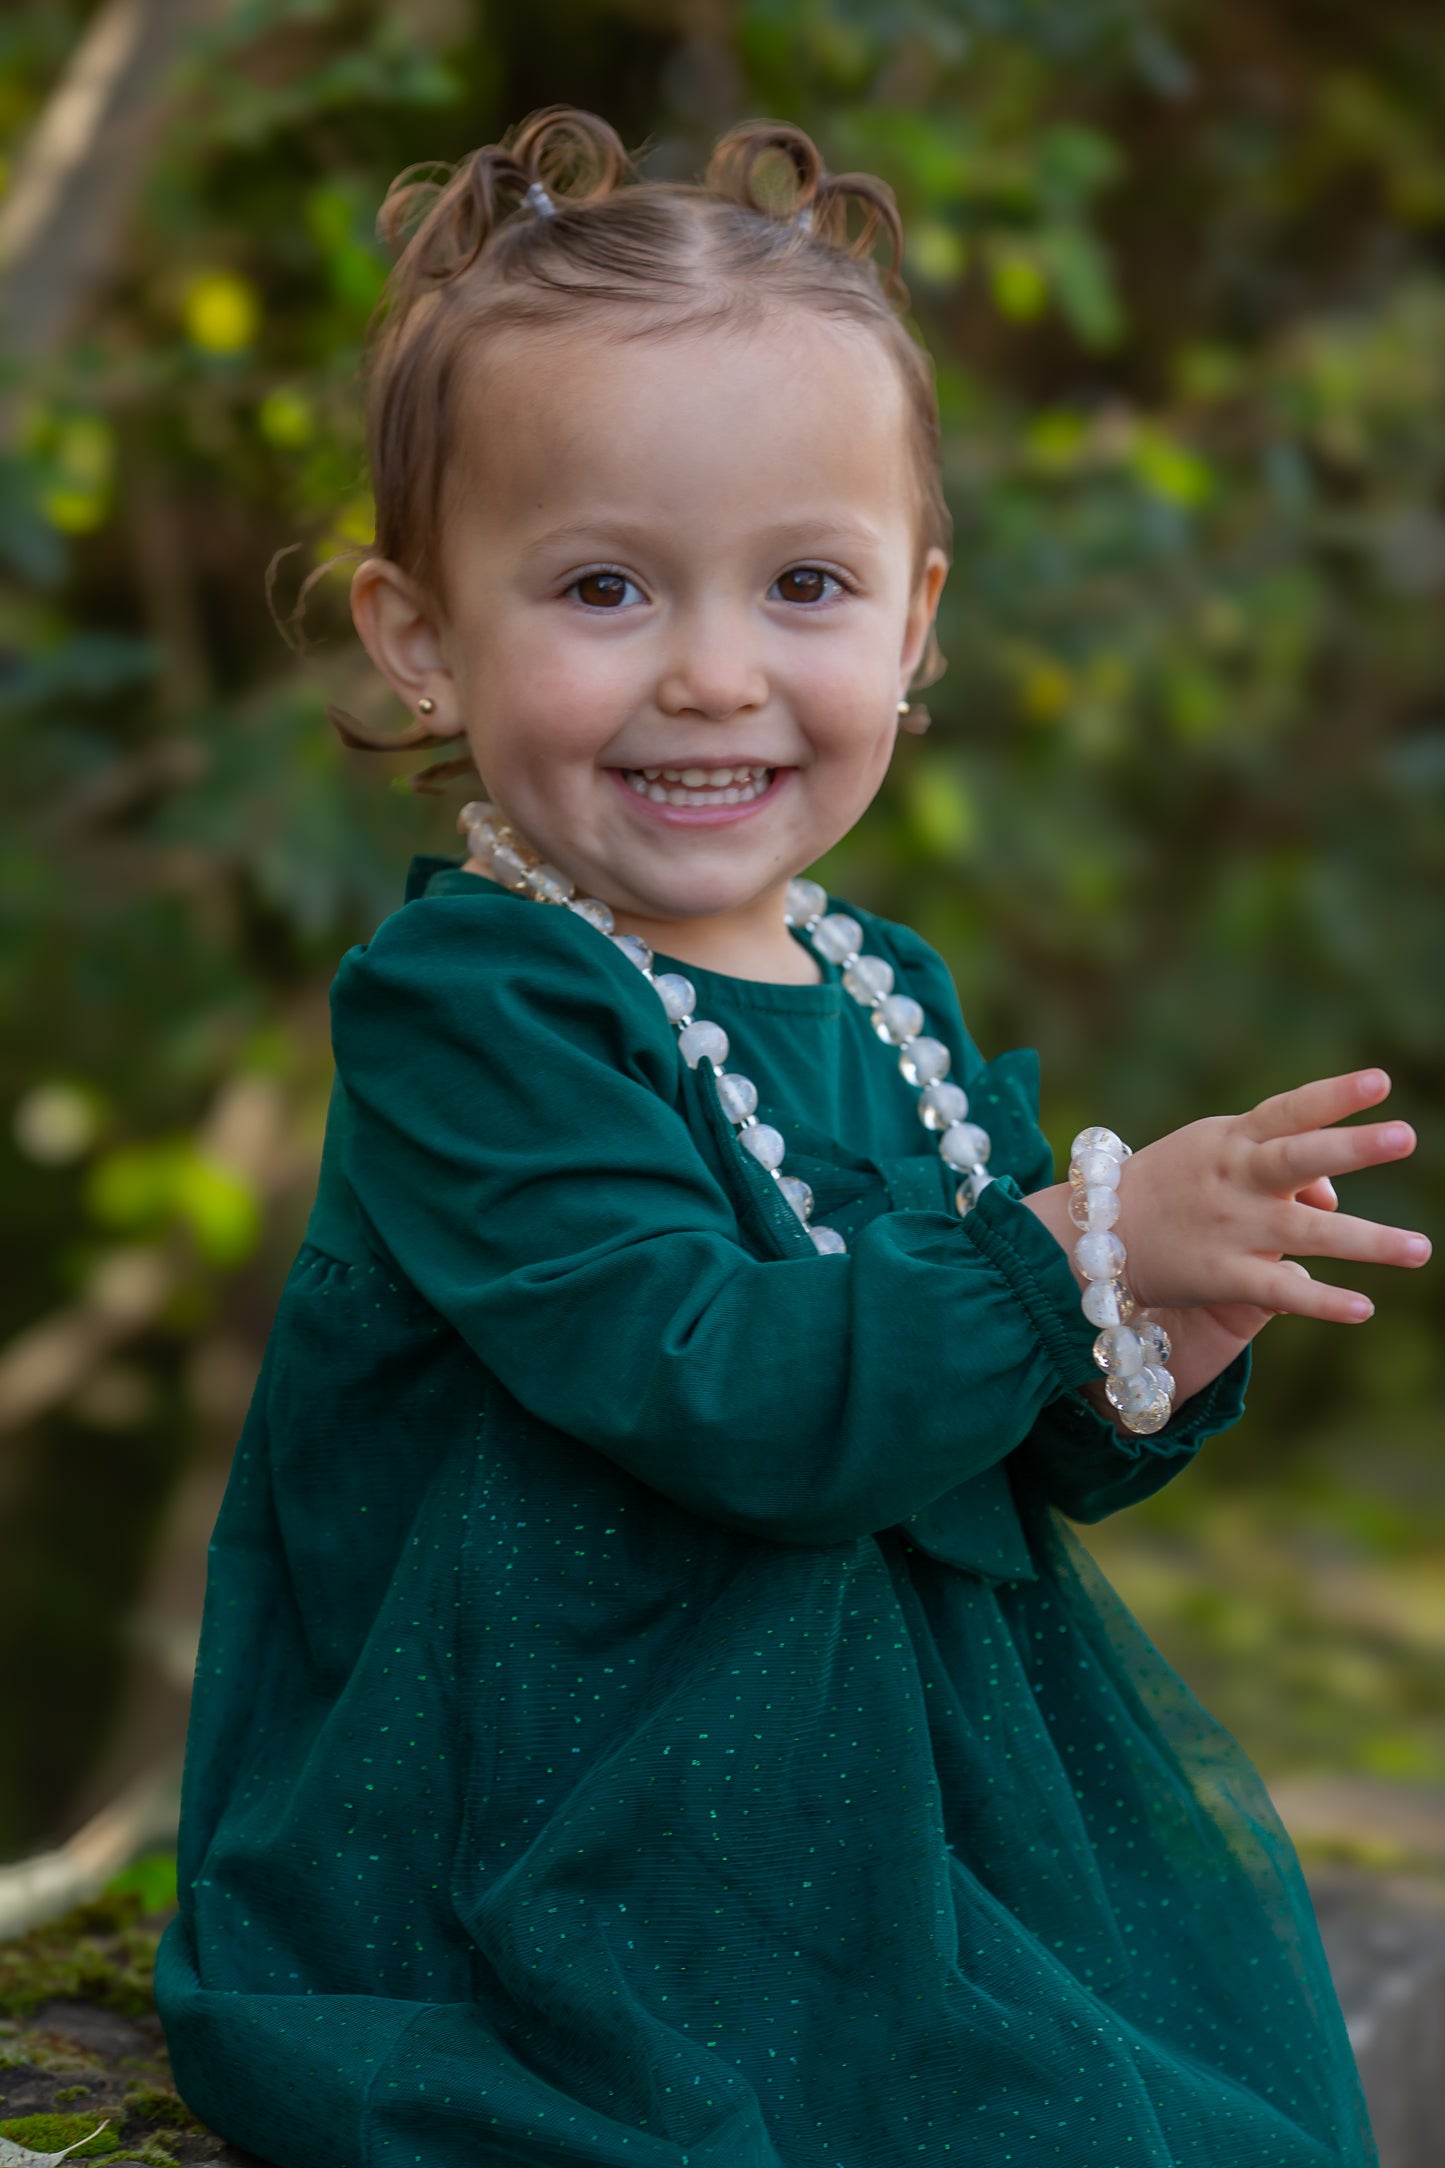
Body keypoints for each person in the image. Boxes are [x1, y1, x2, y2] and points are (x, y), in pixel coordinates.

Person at [153, 106, 1429, 2168]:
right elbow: (717, 1384)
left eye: (807, 584)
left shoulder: (885, 988)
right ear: (417, 633)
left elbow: (981, 1446)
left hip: (887, 1792)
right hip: (557, 1801)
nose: (716, 673)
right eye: (602, 586)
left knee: (1160, 2107)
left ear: (915, 626)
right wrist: (1051, 1255)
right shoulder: (479, 1010)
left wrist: (1147, 1339)